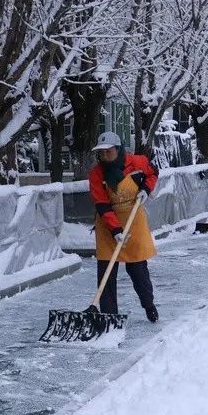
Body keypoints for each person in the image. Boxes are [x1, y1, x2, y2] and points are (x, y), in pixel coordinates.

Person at [89, 132, 159, 323]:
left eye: (108, 152)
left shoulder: (137, 162)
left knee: (138, 270)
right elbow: (101, 204)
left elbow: (153, 173)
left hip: (133, 219)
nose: (104, 156)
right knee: (106, 272)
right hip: (107, 224)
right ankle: (109, 317)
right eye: (101, 153)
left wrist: (146, 189)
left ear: (118, 149)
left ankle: (149, 304)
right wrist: (115, 230)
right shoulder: (96, 173)